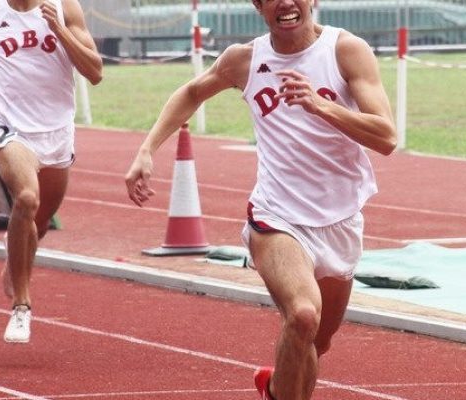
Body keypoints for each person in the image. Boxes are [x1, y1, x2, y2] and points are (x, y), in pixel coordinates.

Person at [124, 0, 396, 399]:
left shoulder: (345, 50)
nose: (285, 2)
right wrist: (147, 149)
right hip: (276, 216)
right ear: (258, 6)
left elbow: (386, 137)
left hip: (341, 220)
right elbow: (192, 91)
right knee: (303, 316)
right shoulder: (244, 60)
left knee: (316, 344)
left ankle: (274, 388)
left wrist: (321, 105)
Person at [0, 0, 103, 343]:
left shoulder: (65, 8)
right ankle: (22, 307)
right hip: (10, 129)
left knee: (40, 220)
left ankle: (14, 251)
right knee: (26, 197)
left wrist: (60, 30)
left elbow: (95, 72)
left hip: (57, 132)